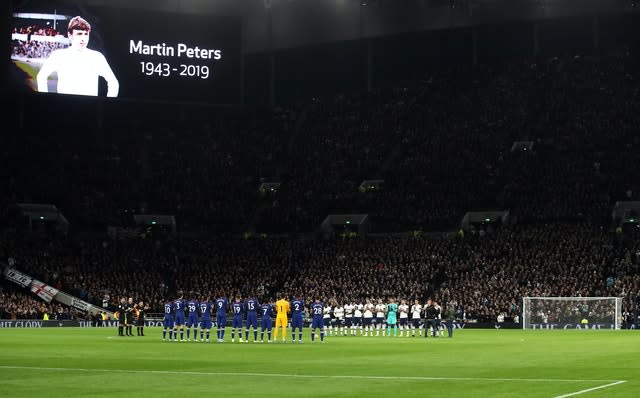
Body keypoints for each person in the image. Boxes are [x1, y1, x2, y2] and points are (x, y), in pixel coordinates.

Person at [36, 16, 119, 97]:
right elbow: (41, 76)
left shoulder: (97, 57)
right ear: (70, 35)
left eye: (86, 34)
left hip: (89, 108)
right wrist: (46, 101)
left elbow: (114, 83)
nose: (83, 38)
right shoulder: (59, 56)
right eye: (79, 34)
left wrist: (106, 105)